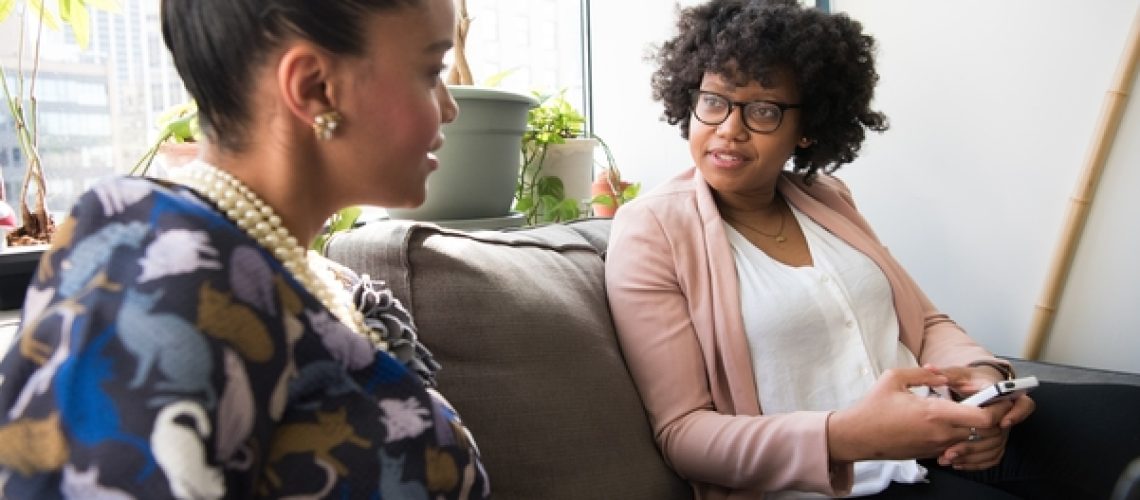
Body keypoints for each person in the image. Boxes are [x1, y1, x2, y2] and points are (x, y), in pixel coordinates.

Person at [605, 0, 1140, 498]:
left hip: (944, 427)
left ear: (807, 128)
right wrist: (847, 436)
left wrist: (982, 378)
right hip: (843, 480)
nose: (729, 130)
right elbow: (684, 434)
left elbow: (925, 322)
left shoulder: (828, 198)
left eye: (763, 110)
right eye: (714, 102)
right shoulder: (651, 230)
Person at [0, 0, 491, 497]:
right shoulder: (160, 272)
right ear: (314, 87)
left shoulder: (301, 276)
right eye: (432, 71)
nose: (449, 107)